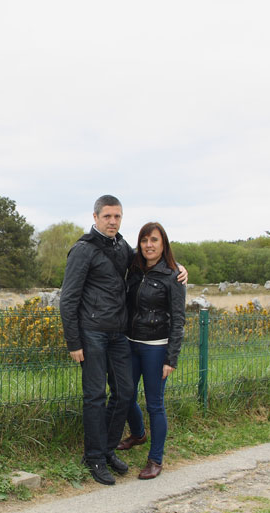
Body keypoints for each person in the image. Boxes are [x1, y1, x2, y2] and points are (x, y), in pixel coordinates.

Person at [59, 195, 136, 485]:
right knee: (94, 396)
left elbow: (147, 261)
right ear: (95, 217)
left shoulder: (122, 247)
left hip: (118, 333)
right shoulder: (83, 250)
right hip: (91, 333)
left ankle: (107, 450)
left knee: (125, 392)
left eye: (117, 217)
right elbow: (68, 299)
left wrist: (176, 267)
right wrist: (73, 342)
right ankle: (93, 457)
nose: (113, 222)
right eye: (107, 217)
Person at [115, 222, 186, 479]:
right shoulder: (134, 269)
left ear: (163, 243)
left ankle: (155, 459)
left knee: (155, 404)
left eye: (154, 240)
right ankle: (138, 433)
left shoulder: (173, 275)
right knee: (126, 394)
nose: (149, 245)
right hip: (131, 343)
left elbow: (178, 319)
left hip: (157, 348)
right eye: (144, 240)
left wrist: (171, 358)